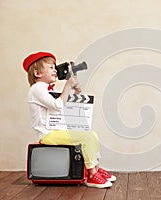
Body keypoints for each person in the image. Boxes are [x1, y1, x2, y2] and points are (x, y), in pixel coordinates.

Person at [23, 51, 116, 188]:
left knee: (92, 135)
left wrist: (74, 90)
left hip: (58, 130)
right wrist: (67, 85)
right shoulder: (37, 89)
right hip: (48, 134)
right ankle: (91, 175)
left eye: (55, 67)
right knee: (87, 138)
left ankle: (95, 167)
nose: (55, 70)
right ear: (37, 73)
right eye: (51, 68)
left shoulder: (47, 89)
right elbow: (57, 105)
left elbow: (64, 105)